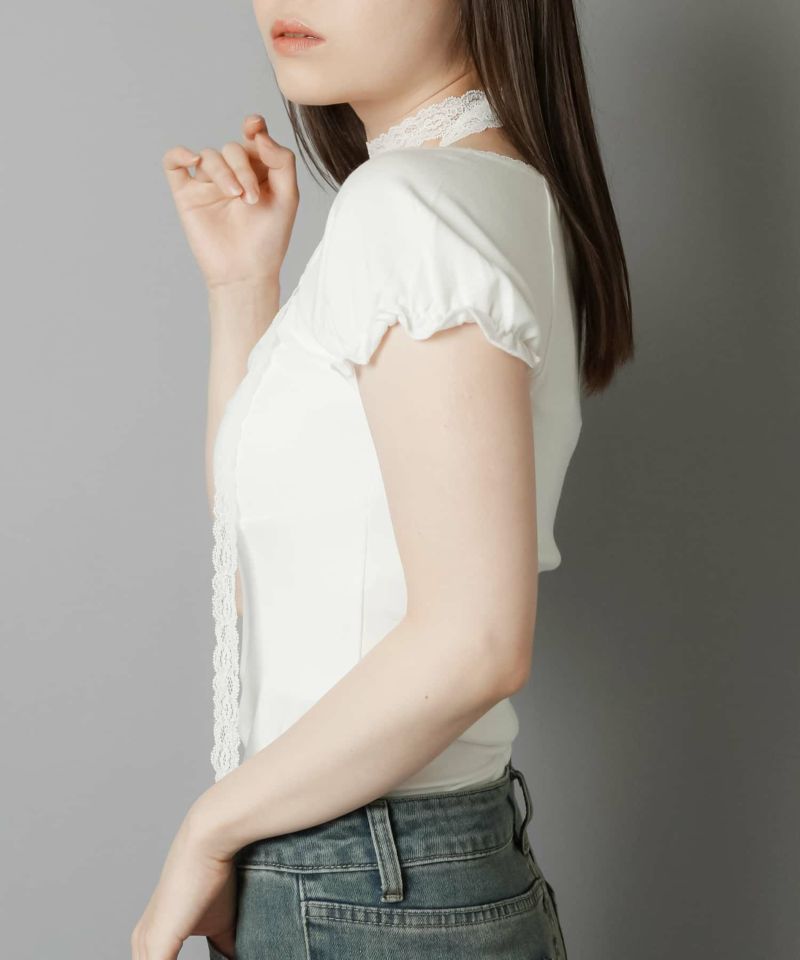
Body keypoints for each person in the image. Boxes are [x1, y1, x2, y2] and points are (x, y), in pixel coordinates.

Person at [133, 2, 633, 958]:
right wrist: (242, 289)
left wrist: (208, 830)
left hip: (367, 879)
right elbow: (277, 570)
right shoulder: (487, 190)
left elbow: (476, 642)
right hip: (383, 870)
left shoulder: (411, 206)